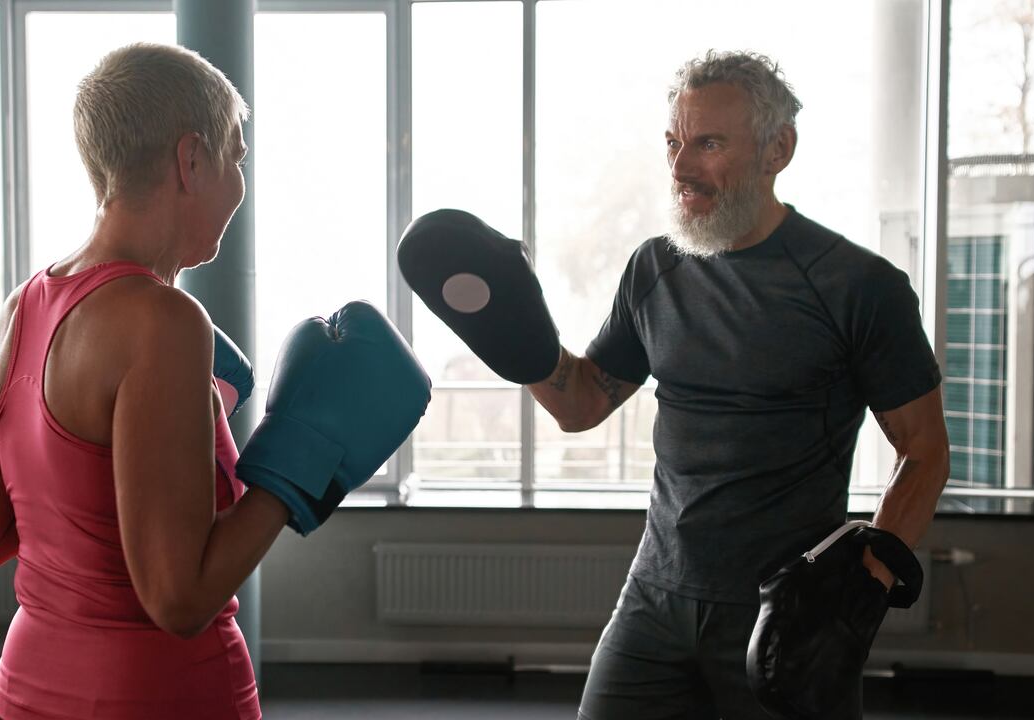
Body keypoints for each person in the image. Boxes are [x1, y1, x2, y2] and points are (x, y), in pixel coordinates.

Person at [399, 50, 949, 719]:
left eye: (708, 143)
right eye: (673, 143)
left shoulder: (858, 287)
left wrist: (856, 598)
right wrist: (514, 338)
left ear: (779, 150)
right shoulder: (656, 267)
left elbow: (924, 450)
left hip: (783, 607)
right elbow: (582, 401)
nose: (681, 167)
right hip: (655, 596)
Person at [0, 42, 429, 720]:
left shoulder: (18, 311)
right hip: (160, 696)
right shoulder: (165, 321)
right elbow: (179, 601)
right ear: (191, 159)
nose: (239, 181)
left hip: (26, 691)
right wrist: (292, 459)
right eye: (236, 157)